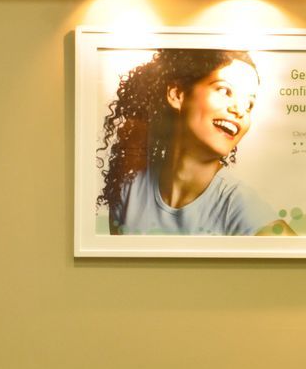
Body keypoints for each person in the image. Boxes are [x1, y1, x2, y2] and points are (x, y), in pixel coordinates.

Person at [97, 49, 277, 236]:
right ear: (177, 95)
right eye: (225, 91)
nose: (240, 110)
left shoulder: (243, 209)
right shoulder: (129, 189)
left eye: (249, 104)